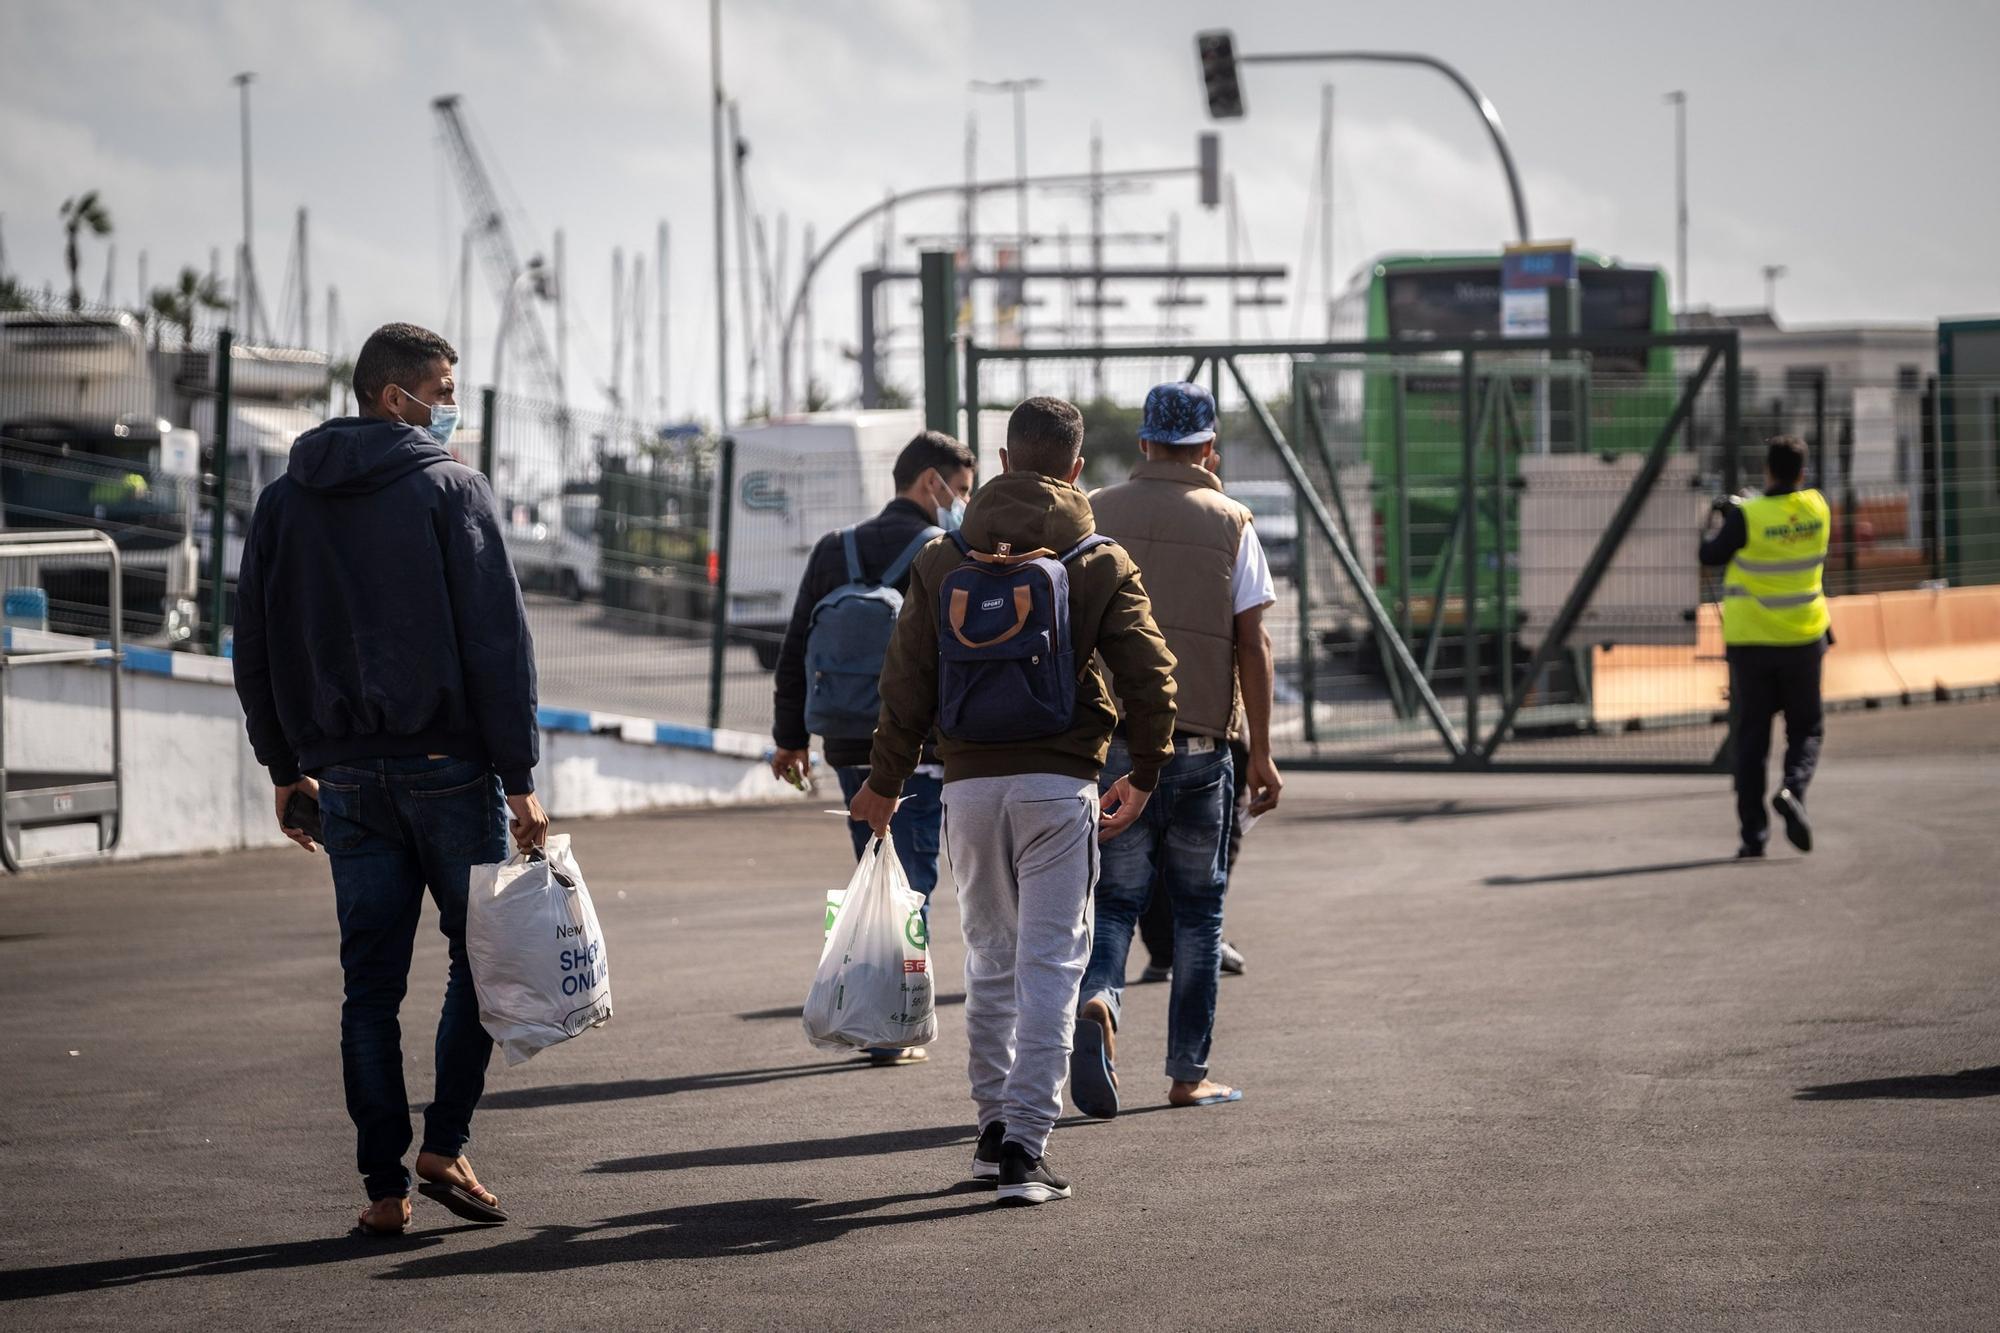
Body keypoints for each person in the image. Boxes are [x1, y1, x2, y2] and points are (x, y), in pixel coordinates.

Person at [232, 322, 548, 1238]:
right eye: (443, 387)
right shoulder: (452, 490)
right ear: (393, 393)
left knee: (368, 982)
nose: (449, 403)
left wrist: (285, 768)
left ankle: (383, 1185)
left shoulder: (286, 500)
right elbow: (501, 647)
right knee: (477, 959)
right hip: (451, 766)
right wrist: (521, 778)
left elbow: (252, 644)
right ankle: (444, 1145)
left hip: (346, 779)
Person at [850, 395, 1178, 1206]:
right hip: (1058, 782)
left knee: (991, 962)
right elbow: (1151, 672)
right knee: (1051, 964)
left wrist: (885, 780)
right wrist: (1148, 767)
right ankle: (1027, 1149)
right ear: (1074, 468)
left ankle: (993, 1126)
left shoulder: (942, 556)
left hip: (965, 786)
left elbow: (906, 682)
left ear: (1001, 462)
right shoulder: (1098, 557)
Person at [1071, 380, 1282, 1120]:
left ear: (1144, 444)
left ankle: (1100, 998)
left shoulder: (1094, 512)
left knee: (1116, 901)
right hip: (1200, 750)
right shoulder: (1233, 521)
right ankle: (1188, 1072)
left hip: (1118, 749)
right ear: (1208, 447)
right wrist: (1260, 751)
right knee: (1199, 913)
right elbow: (1252, 642)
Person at [771, 430, 976, 1066]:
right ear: (930, 484)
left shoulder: (837, 548)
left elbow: (797, 643)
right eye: (961, 490)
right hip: (917, 747)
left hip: (845, 741)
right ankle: (889, 1024)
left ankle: (870, 1006)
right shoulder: (944, 550)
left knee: (874, 871)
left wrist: (789, 739)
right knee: (908, 883)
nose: (963, 502)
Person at [1701, 435, 1829, 859]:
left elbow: (1711, 554)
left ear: (1767, 469)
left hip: (1751, 643)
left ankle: (1752, 837)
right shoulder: (1817, 509)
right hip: (1803, 639)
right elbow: (1782, 513)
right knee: (1806, 729)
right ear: (1803, 472)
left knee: (1752, 739)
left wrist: (1720, 518)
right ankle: (1793, 789)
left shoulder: (1747, 518)